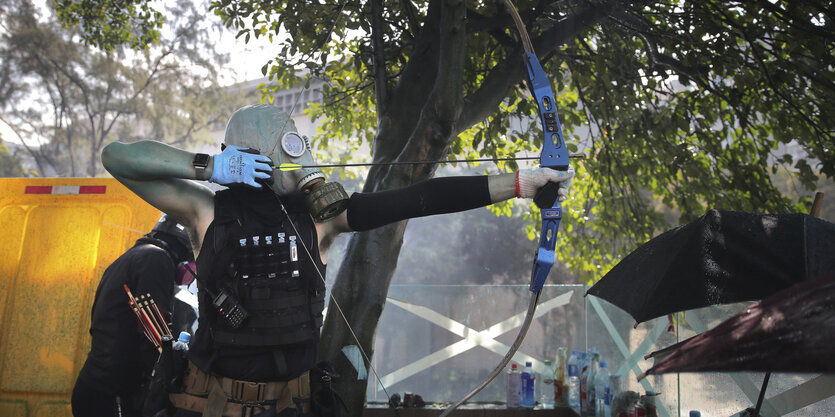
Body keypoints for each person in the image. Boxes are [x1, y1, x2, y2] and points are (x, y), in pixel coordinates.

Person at [100, 104, 574, 417]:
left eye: (296, 143)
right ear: (250, 153)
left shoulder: (321, 220)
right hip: (213, 404)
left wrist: (519, 183)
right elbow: (117, 157)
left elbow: (418, 198)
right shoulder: (206, 211)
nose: (299, 156)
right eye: (286, 145)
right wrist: (207, 166)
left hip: (295, 406)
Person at [72, 214, 197, 417]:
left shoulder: (134, 256)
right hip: (112, 395)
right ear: (185, 246)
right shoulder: (156, 259)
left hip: (96, 387)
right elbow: (155, 332)